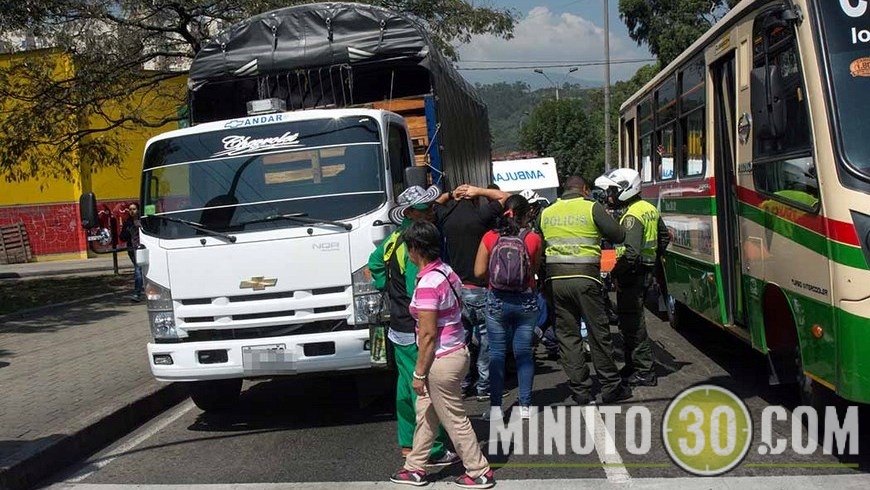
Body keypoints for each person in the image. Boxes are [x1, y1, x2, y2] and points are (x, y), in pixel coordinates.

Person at [389, 221, 495, 489]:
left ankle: (479, 471)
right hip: (456, 351)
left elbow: (427, 335)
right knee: (426, 413)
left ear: (415, 249)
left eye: (408, 248)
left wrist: (418, 373)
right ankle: (415, 467)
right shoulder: (447, 272)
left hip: (440, 359)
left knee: (453, 418)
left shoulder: (428, 283)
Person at [369, 185, 456, 465]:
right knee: (422, 388)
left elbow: (374, 263)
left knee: (406, 387)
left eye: (431, 205)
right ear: (409, 213)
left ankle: (409, 443)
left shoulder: (394, 238)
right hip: (413, 327)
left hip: (399, 325)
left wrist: (386, 287)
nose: (431, 211)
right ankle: (432, 449)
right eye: (424, 208)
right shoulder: (414, 244)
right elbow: (417, 289)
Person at [539, 176, 630, 405]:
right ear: (585, 189)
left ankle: (580, 390)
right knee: (598, 333)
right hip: (586, 279)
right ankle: (611, 387)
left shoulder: (547, 212)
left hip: (556, 281)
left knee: (567, 336)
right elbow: (619, 235)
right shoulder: (592, 207)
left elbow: (538, 245)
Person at [596, 168, 671, 387]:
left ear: (627, 189)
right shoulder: (648, 208)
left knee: (633, 325)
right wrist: (652, 259)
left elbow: (630, 253)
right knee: (629, 321)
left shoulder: (632, 216)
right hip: (643, 272)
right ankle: (632, 366)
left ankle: (644, 372)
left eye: (613, 191)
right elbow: (664, 237)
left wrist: (614, 273)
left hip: (632, 275)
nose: (610, 195)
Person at [436, 184, 509, 402]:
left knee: (460, 340)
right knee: (488, 339)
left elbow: (433, 203)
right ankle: (484, 386)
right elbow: (505, 197)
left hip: (457, 289)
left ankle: (462, 383)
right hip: (480, 287)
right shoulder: (481, 215)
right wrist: (480, 191)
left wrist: (451, 194)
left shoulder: (446, 217)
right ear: (475, 200)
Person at [474, 194, 542, 420]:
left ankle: (495, 409)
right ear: (526, 214)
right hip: (526, 301)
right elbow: (534, 270)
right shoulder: (533, 238)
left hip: (497, 300)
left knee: (497, 354)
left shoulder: (490, 237)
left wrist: (496, 279)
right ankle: (525, 406)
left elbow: (478, 272)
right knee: (523, 353)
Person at [119, 202, 143, 302]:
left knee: (143, 270)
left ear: (138, 210)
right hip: (133, 250)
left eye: (134, 209)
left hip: (144, 248)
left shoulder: (143, 221)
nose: (132, 211)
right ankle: (137, 293)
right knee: (138, 270)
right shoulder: (128, 223)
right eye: (130, 209)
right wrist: (127, 231)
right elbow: (122, 237)